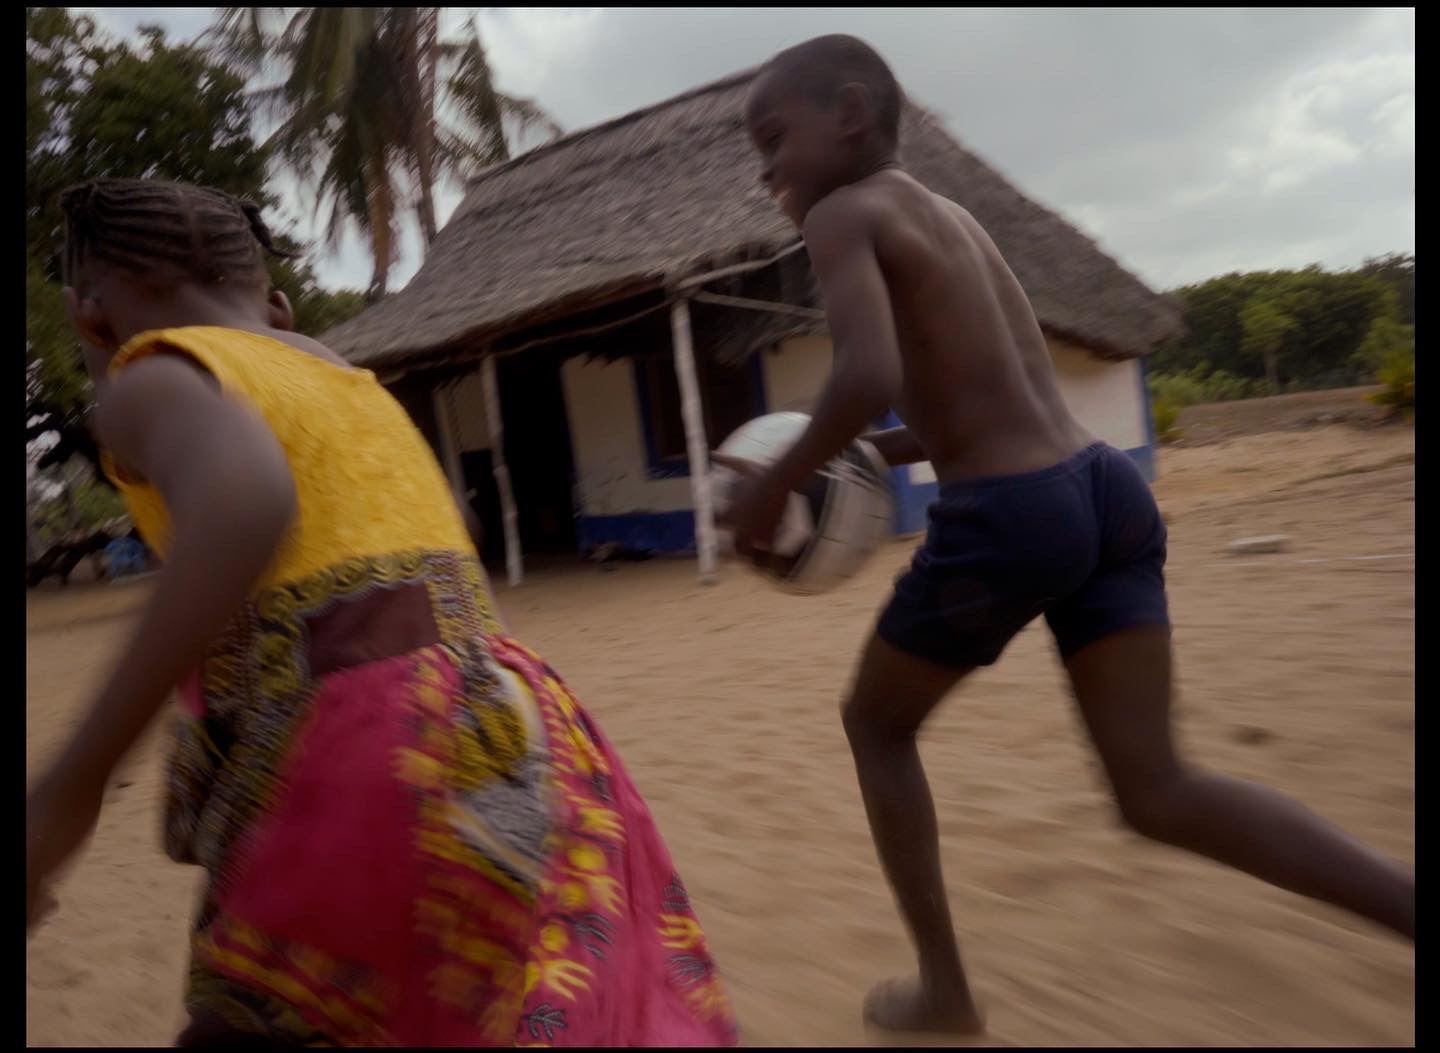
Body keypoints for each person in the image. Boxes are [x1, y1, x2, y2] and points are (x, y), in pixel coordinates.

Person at [722, 34, 1415, 1036]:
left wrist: (770, 488)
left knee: (876, 727)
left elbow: (865, 378)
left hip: (1010, 518)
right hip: (1105, 491)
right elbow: (984, 400)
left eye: (775, 136)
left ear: (854, 116)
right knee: (1159, 787)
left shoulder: (842, 213)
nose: (766, 167)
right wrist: (874, 459)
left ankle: (946, 993)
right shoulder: (952, 217)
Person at [26, 177, 737, 1048]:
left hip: (362, 744)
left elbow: (245, 501)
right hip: (518, 722)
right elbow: (459, 523)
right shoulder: (342, 376)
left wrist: (71, 788)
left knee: (265, 1019)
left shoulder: (149, 376)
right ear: (281, 306)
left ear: (91, 318)